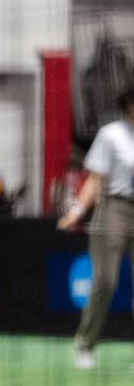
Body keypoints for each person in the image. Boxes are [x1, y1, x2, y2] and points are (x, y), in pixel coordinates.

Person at [57, 86, 134, 370]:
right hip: (113, 209)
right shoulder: (111, 135)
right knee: (106, 281)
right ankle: (84, 344)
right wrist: (76, 210)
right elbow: (94, 179)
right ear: (128, 105)